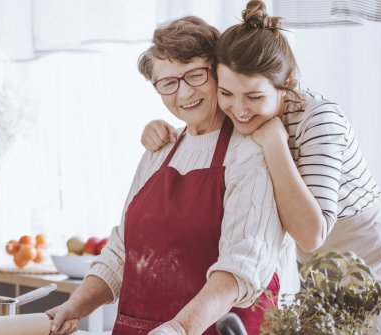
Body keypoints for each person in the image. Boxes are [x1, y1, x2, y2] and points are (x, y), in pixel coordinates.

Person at [141, 1, 381, 334]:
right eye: (226, 93)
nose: (238, 109)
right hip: (319, 268)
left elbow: (311, 234)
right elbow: (203, 124)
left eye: (252, 96)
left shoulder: (320, 119)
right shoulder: (245, 112)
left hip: (373, 258)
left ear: (288, 82)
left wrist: (275, 143)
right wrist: (158, 128)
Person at [46, 15, 294, 335]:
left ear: (219, 72)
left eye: (195, 74)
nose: (183, 92)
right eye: (169, 82)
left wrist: (178, 328)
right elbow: (122, 251)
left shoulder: (250, 152)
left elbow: (241, 268)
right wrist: (74, 306)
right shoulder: (159, 150)